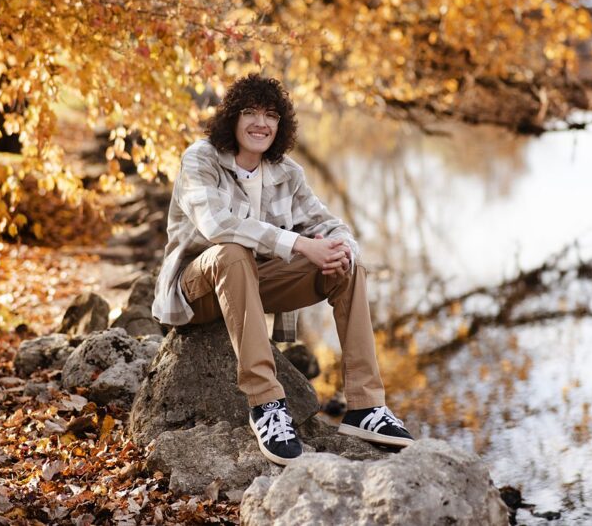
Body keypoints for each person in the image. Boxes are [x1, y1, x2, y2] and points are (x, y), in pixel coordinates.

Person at [152, 74, 413, 465]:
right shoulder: (200, 159)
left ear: (281, 124)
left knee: (346, 264)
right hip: (197, 292)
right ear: (232, 120)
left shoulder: (286, 173)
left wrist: (341, 247)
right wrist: (300, 244)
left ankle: (365, 407)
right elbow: (218, 226)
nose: (262, 123)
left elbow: (329, 225)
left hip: (253, 288)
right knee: (233, 252)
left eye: (271, 115)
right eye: (251, 113)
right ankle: (268, 406)